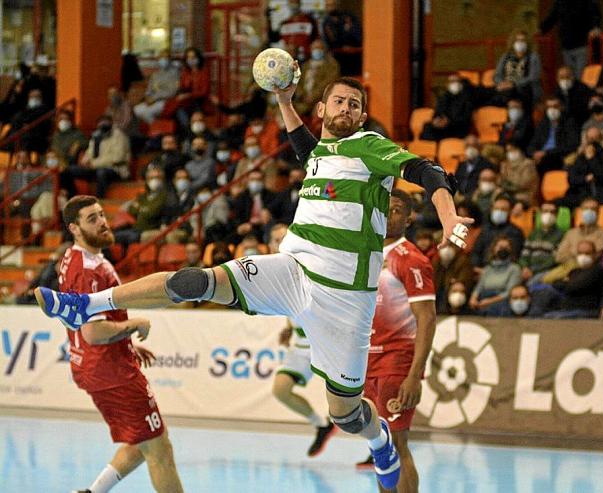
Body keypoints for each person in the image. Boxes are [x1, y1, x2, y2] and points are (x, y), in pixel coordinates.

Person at [35, 74, 472, 491]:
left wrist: (447, 213)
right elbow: (306, 147)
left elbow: (426, 172)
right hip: (293, 269)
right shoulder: (320, 151)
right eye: (338, 101)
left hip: (344, 300)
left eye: (354, 105)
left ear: (360, 117)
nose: (346, 108)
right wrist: (283, 101)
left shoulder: (369, 146)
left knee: (345, 414)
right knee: (197, 281)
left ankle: (378, 442)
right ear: (321, 109)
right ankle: (85, 305)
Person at [55, 195, 183, 493]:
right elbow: (93, 333)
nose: (102, 222)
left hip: (100, 364)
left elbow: (86, 323)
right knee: (159, 451)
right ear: (74, 228)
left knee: (143, 440)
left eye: (101, 215)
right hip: (111, 371)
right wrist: (132, 325)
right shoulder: (88, 270)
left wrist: (124, 342)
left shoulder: (78, 258)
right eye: (92, 219)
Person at [356, 190, 437, 493]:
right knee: (381, 446)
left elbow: (427, 318)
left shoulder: (411, 260)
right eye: (384, 208)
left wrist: (414, 375)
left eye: (397, 210)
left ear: (409, 217)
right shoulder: (367, 255)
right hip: (367, 363)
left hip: (397, 363)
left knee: (398, 442)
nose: (389, 214)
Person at [268, 224, 336, 457]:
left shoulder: (312, 263)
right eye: (275, 240)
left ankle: (375, 444)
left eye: (283, 238)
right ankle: (321, 424)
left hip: (327, 343)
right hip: (301, 346)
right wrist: (289, 327)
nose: (280, 243)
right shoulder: (276, 271)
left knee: (348, 401)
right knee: (280, 390)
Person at [62, 114, 131, 198]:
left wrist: (94, 163)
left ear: (111, 122)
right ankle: (72, 196)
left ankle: (99, 200)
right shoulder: (96, 136)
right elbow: (89, 152)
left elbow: (118, 157)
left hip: (116, 169)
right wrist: (85, 161)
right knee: (69, 170)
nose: (102, 124)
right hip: (94, 167)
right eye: (100, 122)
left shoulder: (119, 136)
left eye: (105, 122)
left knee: (101, 173)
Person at [539, 0, 601, 78]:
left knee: (581, 75)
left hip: (582, 43)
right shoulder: (560, 2)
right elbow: (552, 16)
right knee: (570, 75)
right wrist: (542, 29)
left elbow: (595, 13)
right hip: (566, 45)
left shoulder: (588, 2)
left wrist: (595, 27)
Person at [543, 239, 603, 319]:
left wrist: (567, 283)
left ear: (595, 254)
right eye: (580, 253)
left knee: (552, 318)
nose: (583, 256)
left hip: (586, 310)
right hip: (568, 309)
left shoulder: (597, 270)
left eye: (587, 253)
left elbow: (573, 287)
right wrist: (567, 283)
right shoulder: (574, 271)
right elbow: (556, 283)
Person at [560, 126, 603, 207]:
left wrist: (592, 159)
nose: (592, 142)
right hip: (579, 194)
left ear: (601, 139)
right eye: (590, 139)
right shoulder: (579, 158)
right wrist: (585, 179)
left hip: (601, 195)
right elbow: (571, 179)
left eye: (595, 138)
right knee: (556, 203)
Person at [469, 235, 521, 316]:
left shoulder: (514, 269)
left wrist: (489, 301)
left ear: (511, 250)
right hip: (483, 298)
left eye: (506, 247)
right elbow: (479, 287)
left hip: (501, 301)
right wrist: (473, 298)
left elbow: (509, 292)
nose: (503, 249)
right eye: (500, 247)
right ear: (494, 249)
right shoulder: (488, 269)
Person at [527, 97, 580, 174]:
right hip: (541, 156)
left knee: (545, 162)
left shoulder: (569, 123)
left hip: (557, 156)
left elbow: (572, 145)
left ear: (561, 107)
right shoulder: (543, 123)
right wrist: (533, 153)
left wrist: (546, 153)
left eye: (555, 106)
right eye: (549, 107)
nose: (552, 110)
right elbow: (533, 143)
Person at [471, 194, 525, 267]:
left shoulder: (515, 232)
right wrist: (476, 267)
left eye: (503, 209)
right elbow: (476, 252)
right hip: (481, 271)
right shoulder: (486, 229)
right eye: (496, 208)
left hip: (501, 270)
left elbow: (513, 256)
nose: (499, 212)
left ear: (509, 212)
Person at [493, 30, 542, 109]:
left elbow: (533, 77)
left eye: (523, 40)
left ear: (528, 43)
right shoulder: (505, 56)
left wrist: (513, 84)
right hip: (506, 89)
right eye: (517, 40)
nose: (520, 43)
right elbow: (497, 75)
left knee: (515, 91)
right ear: (513, 42)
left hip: (524, 89)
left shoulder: (533, 57)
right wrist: (502, 83)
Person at [293, 38, 341, 116]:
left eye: (320, 48)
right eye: (315, 48)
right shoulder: (305, 65)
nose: (317, 51)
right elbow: (298, 82)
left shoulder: (332, 65)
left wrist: (313, 97)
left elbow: (328, 83)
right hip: (303, 100)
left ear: (324, 50)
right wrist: (302, 95)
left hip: (320, 100)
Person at [519, 202, 564, 283]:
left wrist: (533, 270)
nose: (548, 215)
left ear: (557, 215)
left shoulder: (561, 235)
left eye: (552, 212)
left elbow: (553, 259)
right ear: (540, 213)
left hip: (546, 270)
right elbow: (525, 253)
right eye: (545, 211)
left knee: (531, 284)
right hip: (527, 270)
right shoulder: (533, 233)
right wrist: (525, 267)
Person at [555, 197, 603, 263]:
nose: (589, 211)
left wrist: (572, 253)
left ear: (598, 213)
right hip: (568, 268)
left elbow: (594, 257)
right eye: (586, 209)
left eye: (593, 209)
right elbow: (560, 256)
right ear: (581, 212)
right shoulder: (571, 233)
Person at [421, 73, 474, 140]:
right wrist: (436, 121)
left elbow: (466, 118)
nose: (454, 84)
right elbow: (437, 113)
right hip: (443, 127)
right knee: (427, 127)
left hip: (457, 127)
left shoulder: (466, 98)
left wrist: (449, 122)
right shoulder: (443, 97)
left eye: (456, 81)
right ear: (448, 84)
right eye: (452, 82)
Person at [133, 50, 180, 124]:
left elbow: (172, 92)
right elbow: (149, 89)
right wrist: (147, 97)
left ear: (169, 59)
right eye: (161, 57)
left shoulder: (174, 74)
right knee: (136, 110)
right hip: (152, 100)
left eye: (166, 57)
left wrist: (155, 98)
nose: (163, 60)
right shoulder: (155, 74)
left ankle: (158, 129)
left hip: (165, 101)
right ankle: (155, 126)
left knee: (146, 113)